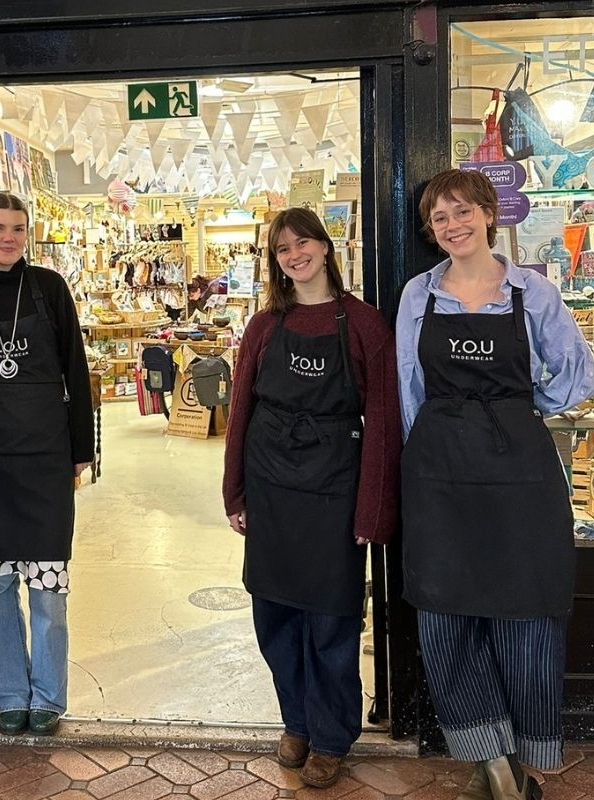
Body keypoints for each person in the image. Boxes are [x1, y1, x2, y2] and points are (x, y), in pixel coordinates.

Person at [397, 168, 594, 800]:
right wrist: (429, 450)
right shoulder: (419, 295)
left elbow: (577, 372)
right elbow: (408, 389)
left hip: (519, 472)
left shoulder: (533, 292)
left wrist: (521, 405)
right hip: (439, 471)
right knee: (443, 613)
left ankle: (523, 761)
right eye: (439, 218)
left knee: (527, 612)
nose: (452, 225)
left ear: (488, 213)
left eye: (462, 211)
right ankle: (493, 760)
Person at [222, 207, 400, 788]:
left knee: (332, 619)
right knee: (273, 614)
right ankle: (295, 721)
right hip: (271, 484)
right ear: (275, 262)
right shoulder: (264, 326)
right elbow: (241, 411)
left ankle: (330, 736)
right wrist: (234, 491)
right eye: (282, 249)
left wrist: (373, 507)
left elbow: (383, 421)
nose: (294, 255)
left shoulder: (365, 325)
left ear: (325, 247)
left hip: (334, 486)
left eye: (303, 243)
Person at [0, 192, 94, 737]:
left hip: (45, 455)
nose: (8, 238)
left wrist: (81, 450)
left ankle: (48, 696)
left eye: (17, 229)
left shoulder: (51, 288)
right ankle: (10, 695)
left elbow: (75, 371)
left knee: (48, 588)